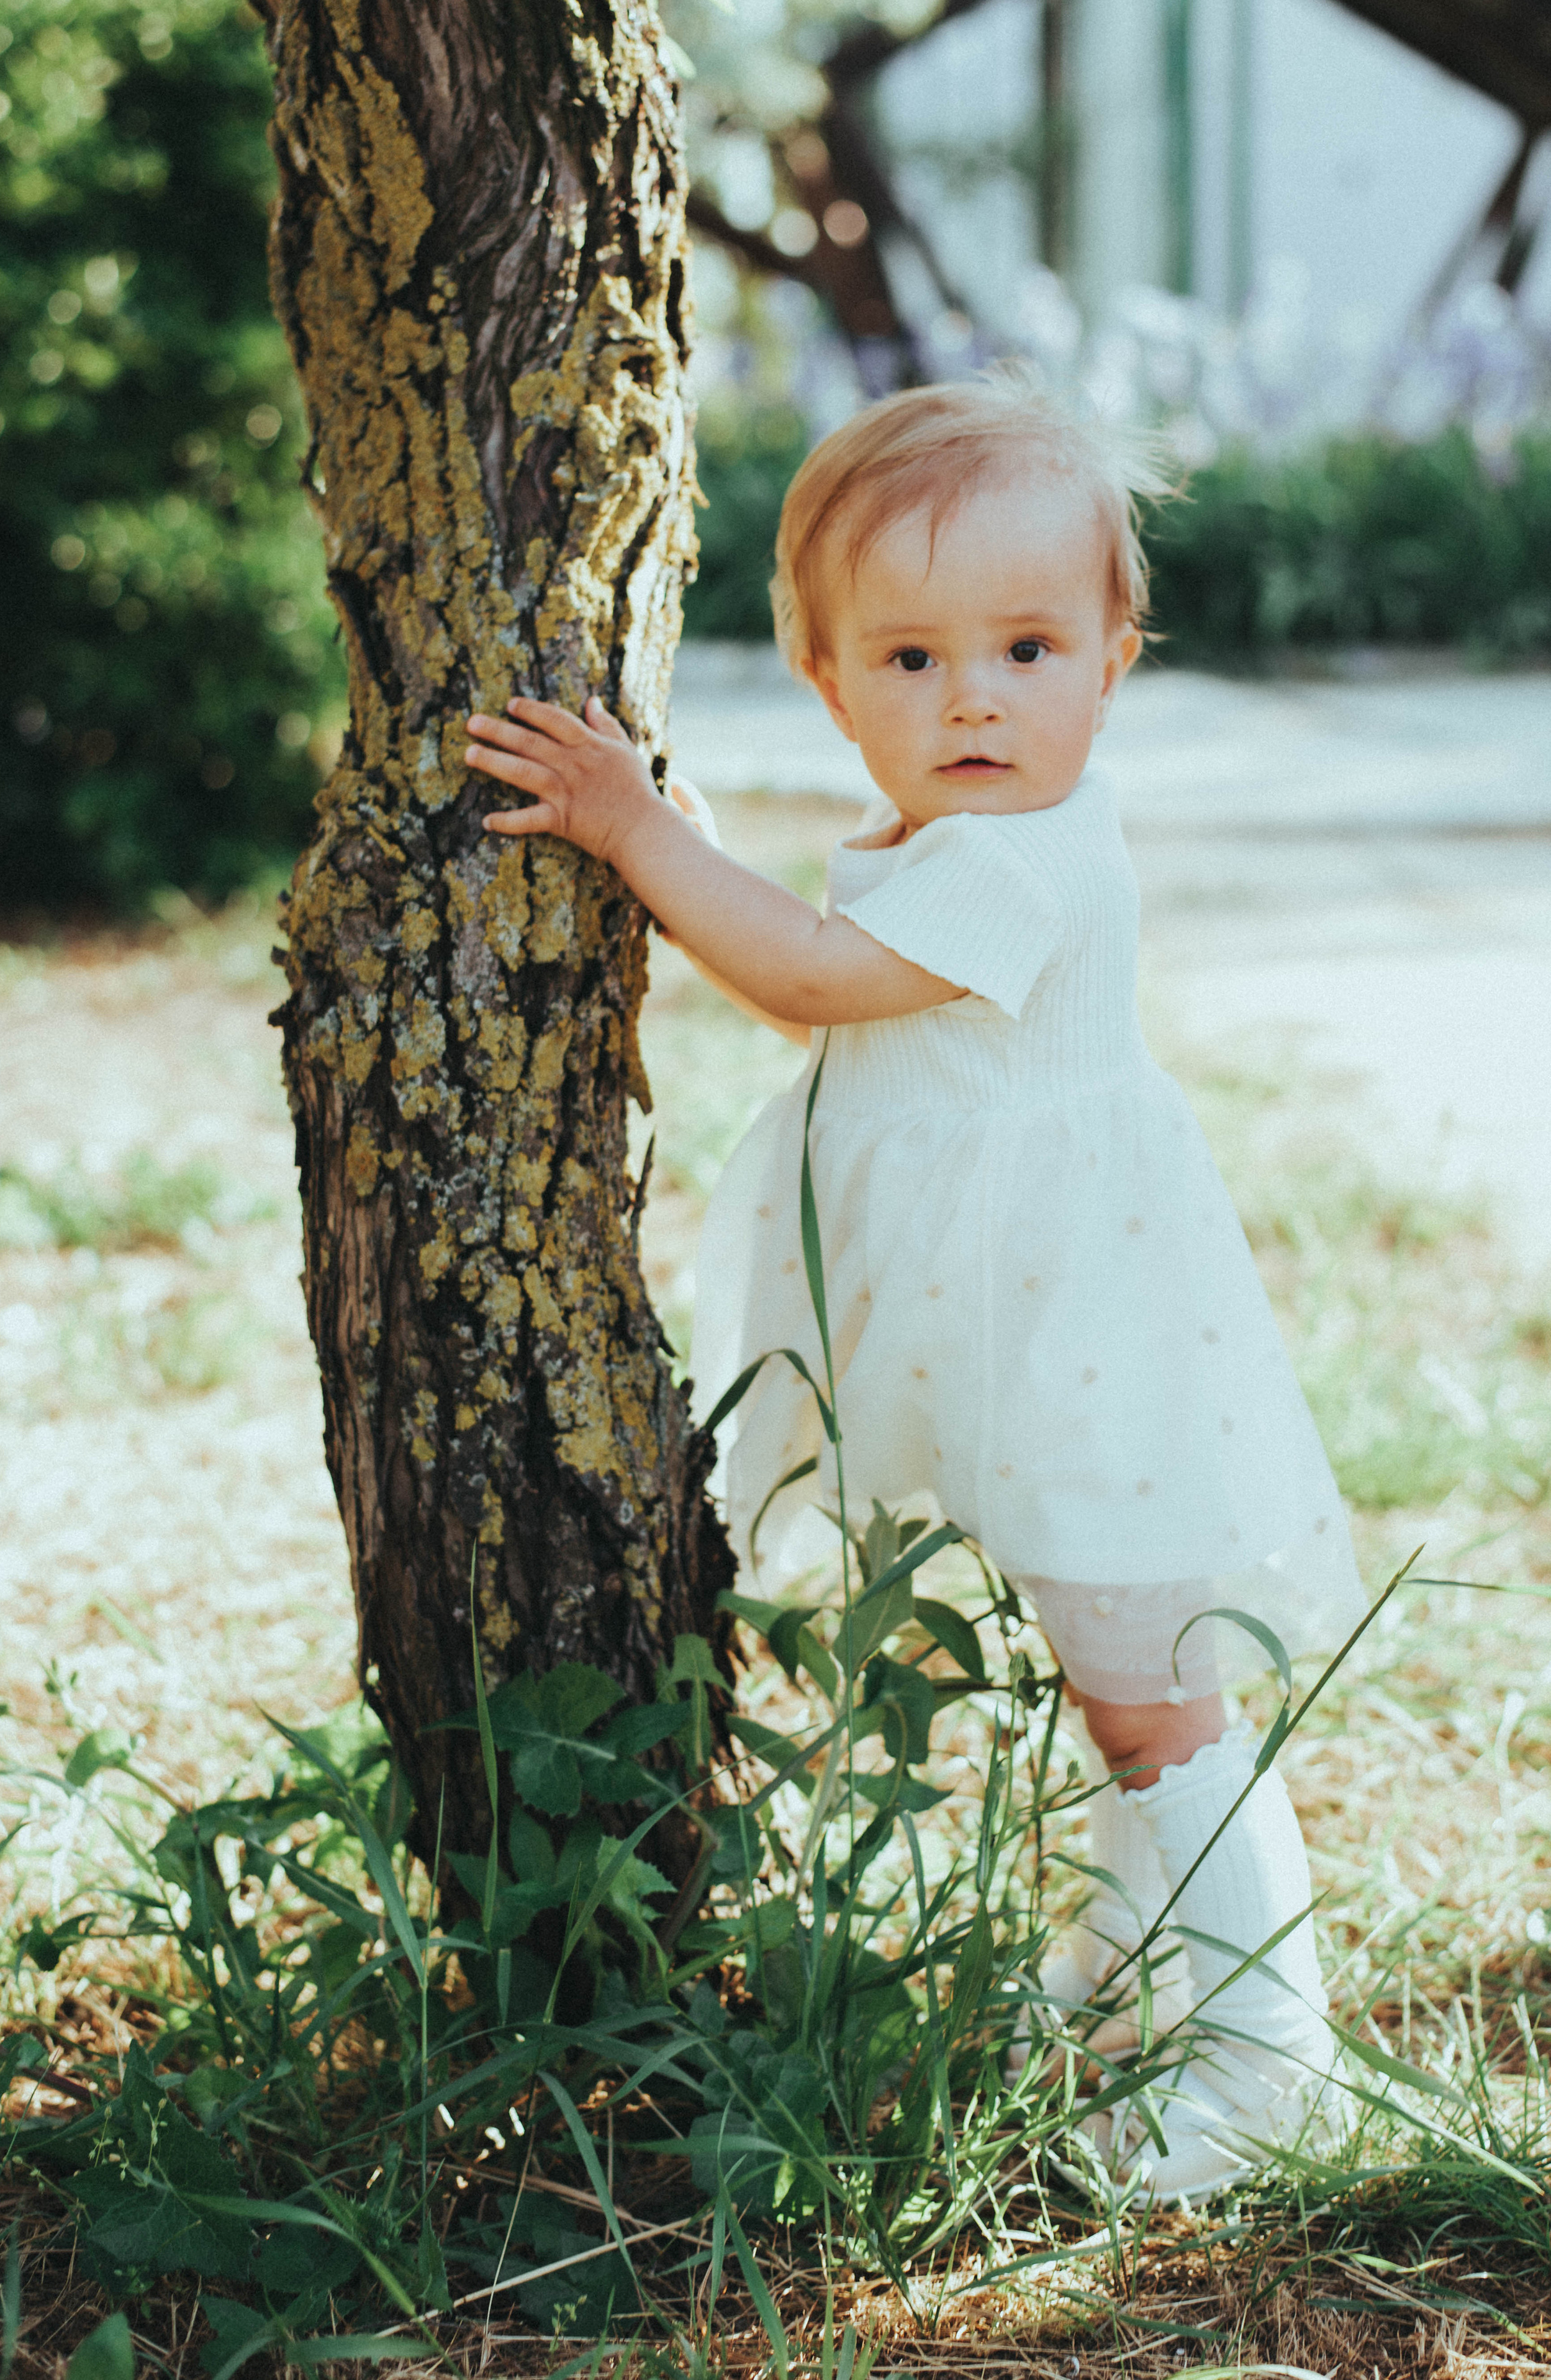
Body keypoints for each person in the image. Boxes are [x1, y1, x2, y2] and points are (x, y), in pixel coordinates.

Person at [463, 371, 1363, 2202]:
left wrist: (639, 834)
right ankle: (1123, 1984)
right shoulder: (968, 837)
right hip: (1036, 1324)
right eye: (912, 658)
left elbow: (806, 975)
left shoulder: (1029, 862)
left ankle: (1278, 2066)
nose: (975, 697)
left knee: (1157, 1699)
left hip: (1086, 1341)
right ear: (825, 676)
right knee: (1126, 1683)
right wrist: (686, 824)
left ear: (1117, 655)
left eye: (1030, 646)